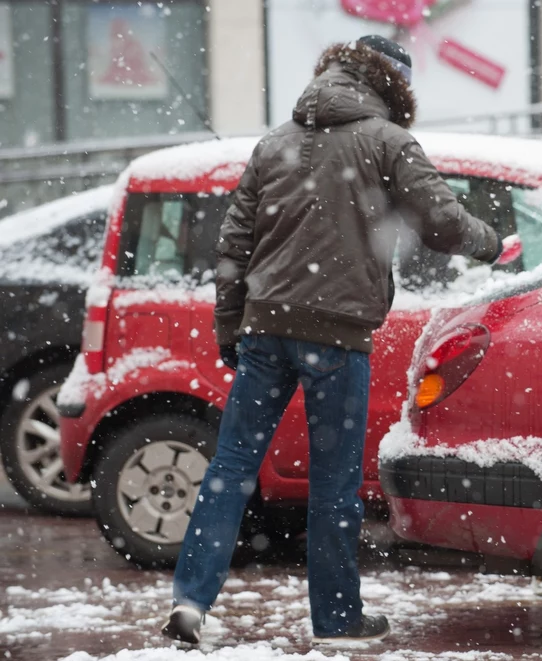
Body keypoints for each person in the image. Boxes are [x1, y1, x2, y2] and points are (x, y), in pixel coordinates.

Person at [161, 35, 503, 647]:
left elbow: (233, 246)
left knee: (231, 467)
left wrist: (229, 325)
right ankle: (337, 620)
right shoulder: (388, 141)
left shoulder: (275, 143)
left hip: (265, 328)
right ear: (394, 85)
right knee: (334, 483)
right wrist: (491, 241)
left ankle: (191, 603)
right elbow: (444, 224)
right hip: (338, 336)